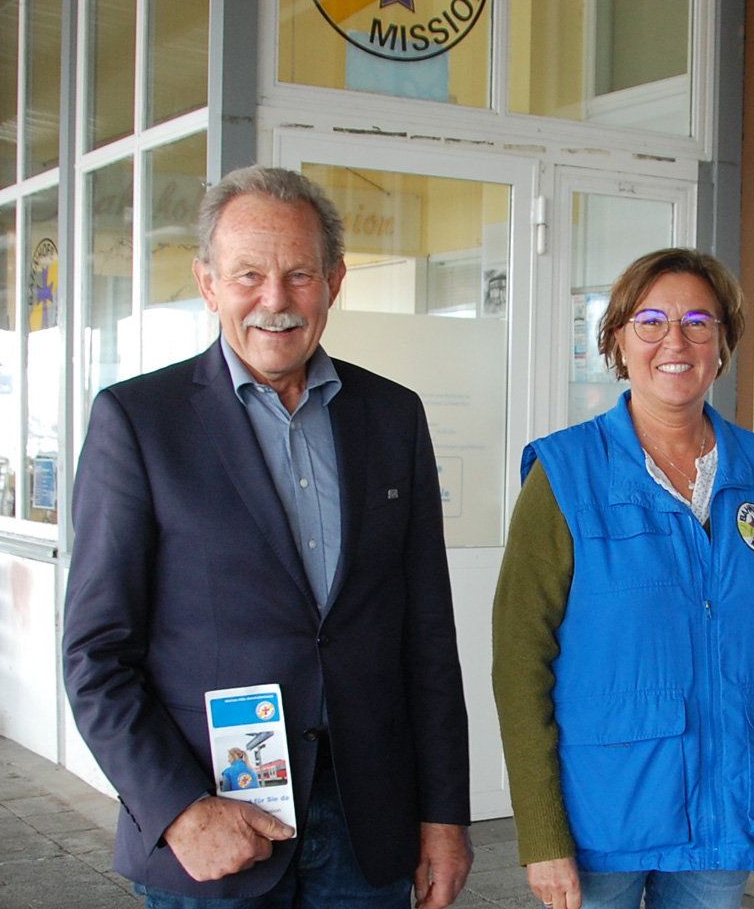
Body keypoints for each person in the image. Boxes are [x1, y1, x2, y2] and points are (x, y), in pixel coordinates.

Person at [64, 166, 473, 908]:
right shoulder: (139, 423)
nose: (275, 300)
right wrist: (181, 812)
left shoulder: (392, 417)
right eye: (248, 273)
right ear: (208, 283)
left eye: (299, 274)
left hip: (366, 832)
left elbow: (427, 642)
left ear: (335, 280)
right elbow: (96, 657)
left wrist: (443, 816)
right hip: (217, 830)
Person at [493, 248, 754, 909]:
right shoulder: (564, 473)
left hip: (728, 808)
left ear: (722, 342)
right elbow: (519, 661)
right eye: (651, 321)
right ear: (618, 338)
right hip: (601, 819)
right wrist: (542, 833)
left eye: (699, 322)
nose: (676, 340)